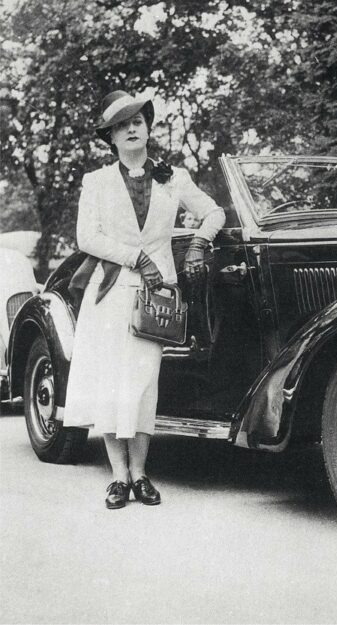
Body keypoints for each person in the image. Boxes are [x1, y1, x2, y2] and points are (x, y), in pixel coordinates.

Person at [61, 90, 225, 509]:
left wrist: (197, 243)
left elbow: (215, 213)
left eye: (137, 121)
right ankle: (118, 478)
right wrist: (137, 257)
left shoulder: (173, 178)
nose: (131, 128)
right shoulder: (96, 182)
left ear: (148, 129)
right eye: (121, 125)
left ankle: (142, 474)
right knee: (113, 385)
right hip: (111, 292)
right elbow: (87, 237)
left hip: (155, 298)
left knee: (143, 384)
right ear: (111, 138)